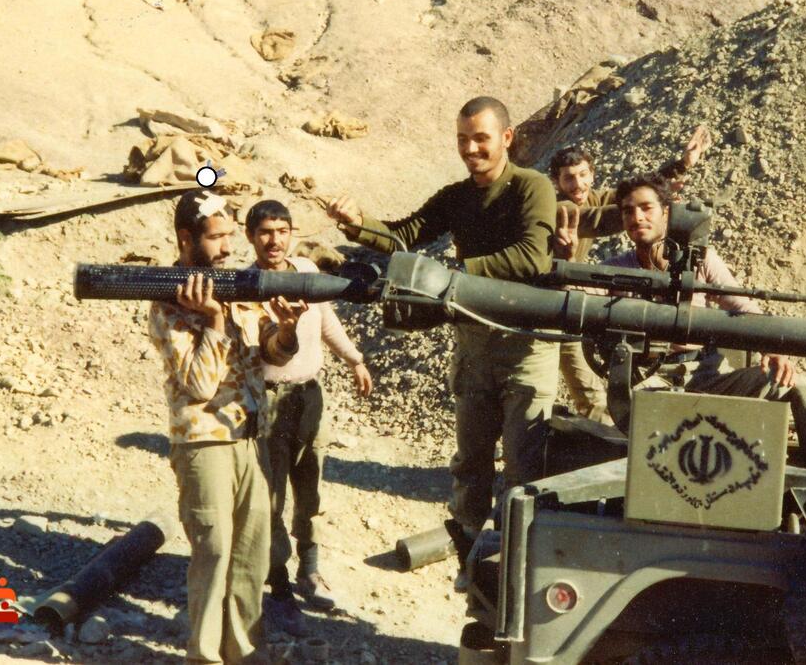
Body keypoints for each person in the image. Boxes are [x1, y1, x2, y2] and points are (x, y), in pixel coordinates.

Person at [326, 96, 558, 586]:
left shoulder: (532, 187)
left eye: (481, 139)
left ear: (507, 138)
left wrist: (455, 274)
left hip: (524, 346)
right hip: (473, 345)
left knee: (523, 470)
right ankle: (473, 567)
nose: (470, 149)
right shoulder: (457, 196)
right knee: (471, 465)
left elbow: (531, 257)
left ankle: (519, 574)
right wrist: (357, 224)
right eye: (462, 140)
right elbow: (406, 234)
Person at [559, 172, 806, 503]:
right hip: (649, 381)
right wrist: (567, 259)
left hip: (707, 375)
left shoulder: (701, 260)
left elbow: (742, 307)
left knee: (795, 385)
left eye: (646, 208)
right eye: (628, 211)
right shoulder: (617, 268)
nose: (637, 217)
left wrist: (773, 349)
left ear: (666, 212)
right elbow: (575, 298)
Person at [149, 189, 306, 664]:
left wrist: (287, 330)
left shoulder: (235, 287)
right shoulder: (167, 302)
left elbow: (270, 352)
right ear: (186, 238)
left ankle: (244, 654)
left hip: (249, 439)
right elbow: (199, 385)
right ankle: (205, 656)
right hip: (204, 441)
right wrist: (215, 320)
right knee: (214, 552)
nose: (226, 247)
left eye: (229, 236)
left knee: (251, 556)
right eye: (216, 237)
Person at [244, 199, 373, 635]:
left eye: (282, 231)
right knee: (271, 495)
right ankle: (278, 584)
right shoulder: (248, 285)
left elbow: (326, 320)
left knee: (311, 486)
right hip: (269, 402)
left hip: (309, 396)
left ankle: (310, 570)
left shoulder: (305, 271)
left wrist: (355, 359)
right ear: (251, 236)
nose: (274, 240)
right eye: (265, 232)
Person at [548, 127, 711, 423]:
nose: (578, 183)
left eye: (583, 175)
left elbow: (636, 189)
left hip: (569, 291)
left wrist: (682, 165)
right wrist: (644, 214)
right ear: (556, 182)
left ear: (593, 174)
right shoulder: (560, 207)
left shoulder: (593, 197)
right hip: (549, 303)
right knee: (587, 392)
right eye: (569, 178)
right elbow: (602, 218)